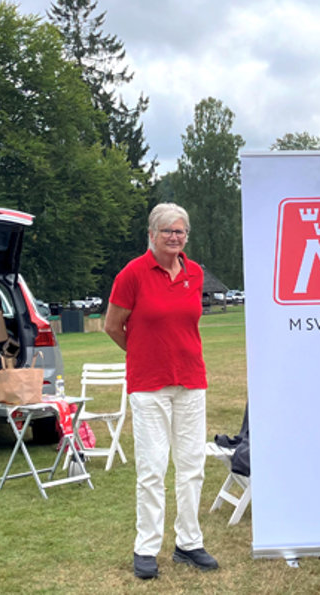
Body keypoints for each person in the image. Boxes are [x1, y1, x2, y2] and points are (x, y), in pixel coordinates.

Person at [105, 202, 218, 580]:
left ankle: (189, 542)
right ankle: (146, 547)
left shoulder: (195, 273)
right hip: (149, 385)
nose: (174, 237)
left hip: (191, 380)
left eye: (180, 231)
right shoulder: (132, 274)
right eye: (167, 230)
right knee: (152, 469)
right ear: (151, 234)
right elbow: (112, 325)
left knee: (192, 467)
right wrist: (142, 354)